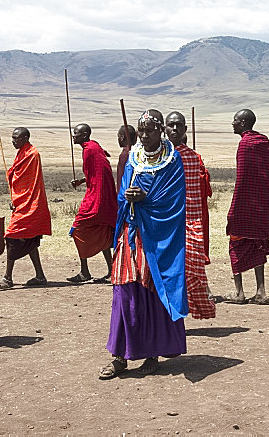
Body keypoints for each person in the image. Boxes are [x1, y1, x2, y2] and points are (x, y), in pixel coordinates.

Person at [99, 110, 187, 379]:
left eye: (149, 130)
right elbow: (124, 191)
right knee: (124, 294)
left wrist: (146, 198)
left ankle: (151, 353)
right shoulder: (133, 158)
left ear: (160, 131)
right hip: (131, 234)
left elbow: (174, 201)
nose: (144, 135)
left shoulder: (172, 161)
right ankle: (119, 356)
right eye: (141, 130)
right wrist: (129, 197)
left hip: (157, 238)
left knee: (152, 292)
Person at [166, 111, 215, 320]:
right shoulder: (156, 156)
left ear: (185, 129)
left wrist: (195, 228)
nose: (175, 129)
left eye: (179, 125)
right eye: (171, 125)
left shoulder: (193, 158)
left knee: (189, 271)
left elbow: (195, 198)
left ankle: (179, 316)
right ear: (164, 129)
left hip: (188, 223)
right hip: (163, 225)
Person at [224, 109, 269, 304]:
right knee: (257, 244)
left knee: (235, 243)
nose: (232, 123)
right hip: (260, 203)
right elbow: (268, 174)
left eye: (235, 120)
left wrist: (235, 206)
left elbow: (242, 179)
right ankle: (261, 291)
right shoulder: (263, 142)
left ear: (243, 123)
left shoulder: (245, 144)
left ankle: (239, 292)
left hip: (244, 205)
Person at [0, 127, 51, 288]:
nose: (13, 141)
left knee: (12, 235)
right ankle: (40, 276)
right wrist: (15, 197)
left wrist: (19, 199)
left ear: (25, 138)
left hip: (31, 204)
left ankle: (7, 278)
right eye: (12, 138)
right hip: (22, 202)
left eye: (16, 138)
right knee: (29, 239)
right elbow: (20, 181)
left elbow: (30, 184)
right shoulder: (21, 153)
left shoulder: (32, 154)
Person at [68, 123, 117, 283]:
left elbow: (100, 174)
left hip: (96, 198)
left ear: (84, 135)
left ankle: (85, 272)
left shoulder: (89, 150)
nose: (73, 136)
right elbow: (96, 172)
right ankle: (111, 269)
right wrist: (83, 180)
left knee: (77, 229)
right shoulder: (94, 146)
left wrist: (94, 194)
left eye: (75, 133)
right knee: (100, 230)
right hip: (101, 196)